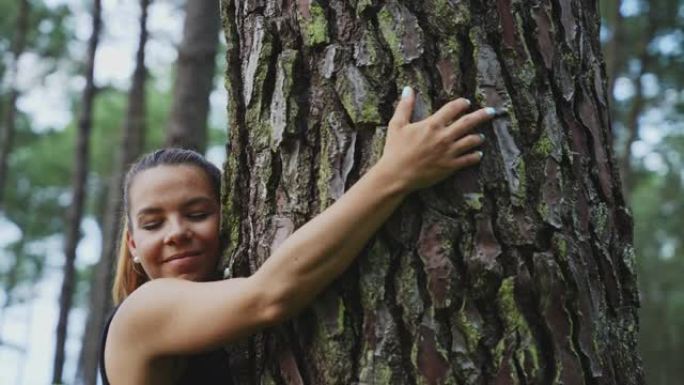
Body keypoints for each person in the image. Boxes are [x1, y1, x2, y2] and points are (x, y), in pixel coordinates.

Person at [100, 87, 500, 385]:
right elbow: (270, 295)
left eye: (197, 213)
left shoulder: (214, 323)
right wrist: (395, 174)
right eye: (153, 223)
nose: (177, 233)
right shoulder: (142, 312)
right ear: (133, 246)